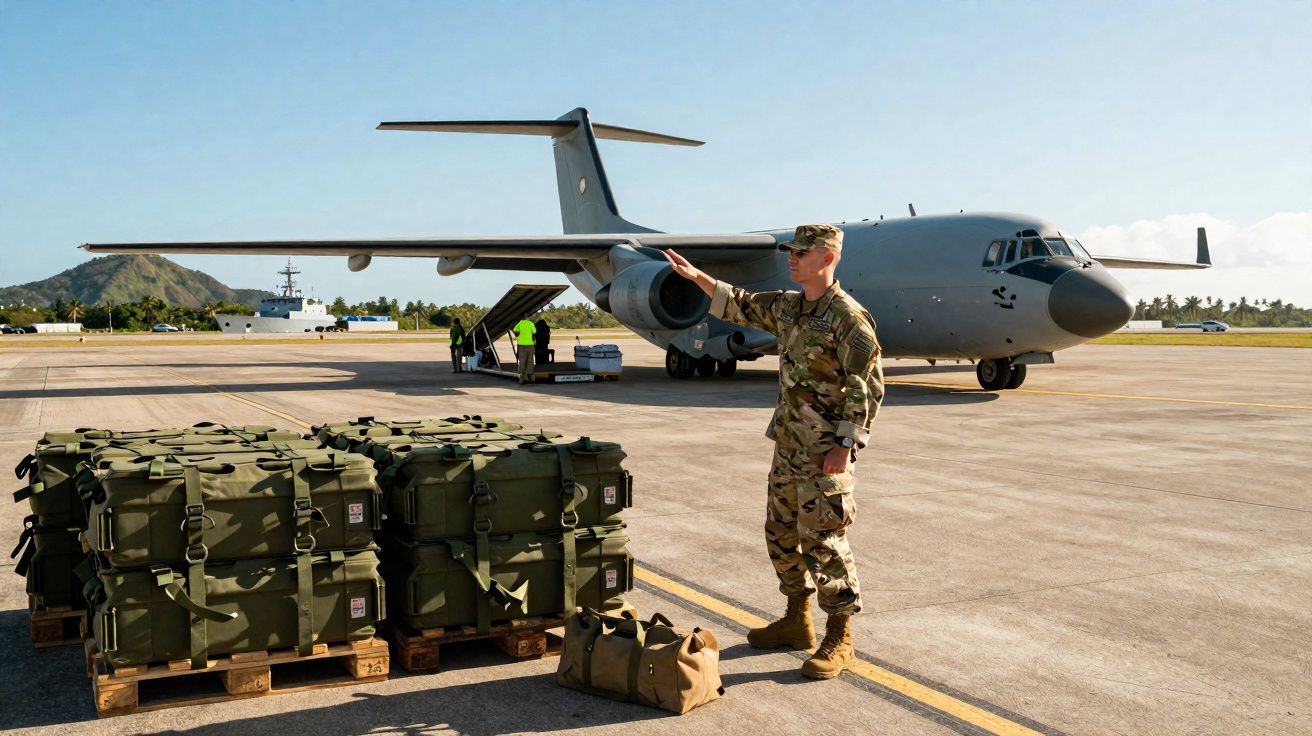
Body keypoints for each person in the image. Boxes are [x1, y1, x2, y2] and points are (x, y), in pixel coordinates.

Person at [664, 223, 883, 680]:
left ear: (827, 258)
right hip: (787, 445)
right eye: (791, 250)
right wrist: (697, 277)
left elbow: (867, 387)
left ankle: (840, 636)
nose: (792, 257)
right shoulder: (788, 306)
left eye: (801, 252)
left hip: (824, 451)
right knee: (780, 533)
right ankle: (795, 620)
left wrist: (845, 444)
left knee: (823, 540)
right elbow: (741, 303)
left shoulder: (848, 316)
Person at [510, 312, 537, 384]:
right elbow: (534, 332)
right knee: (530, 361)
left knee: (522, 362)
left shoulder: (519, 324)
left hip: (521, 346)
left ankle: (521, 379)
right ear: (527, 317)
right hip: (530, 345)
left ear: (521, 317)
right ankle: (530, 374)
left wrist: (519, 336)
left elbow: (515, 331)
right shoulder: (530, 324)